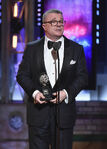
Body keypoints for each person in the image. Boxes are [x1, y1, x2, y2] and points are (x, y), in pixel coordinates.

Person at [16, 9, 88, 149]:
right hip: (38, 115)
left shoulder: (76, 49)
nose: (58, 24)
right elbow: (22, 75)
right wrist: (35, 93)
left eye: (61, 21)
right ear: (44, 26)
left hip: (64, 116)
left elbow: (83, 77)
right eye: (54, 21)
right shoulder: (32, 48)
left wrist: (65, 93)